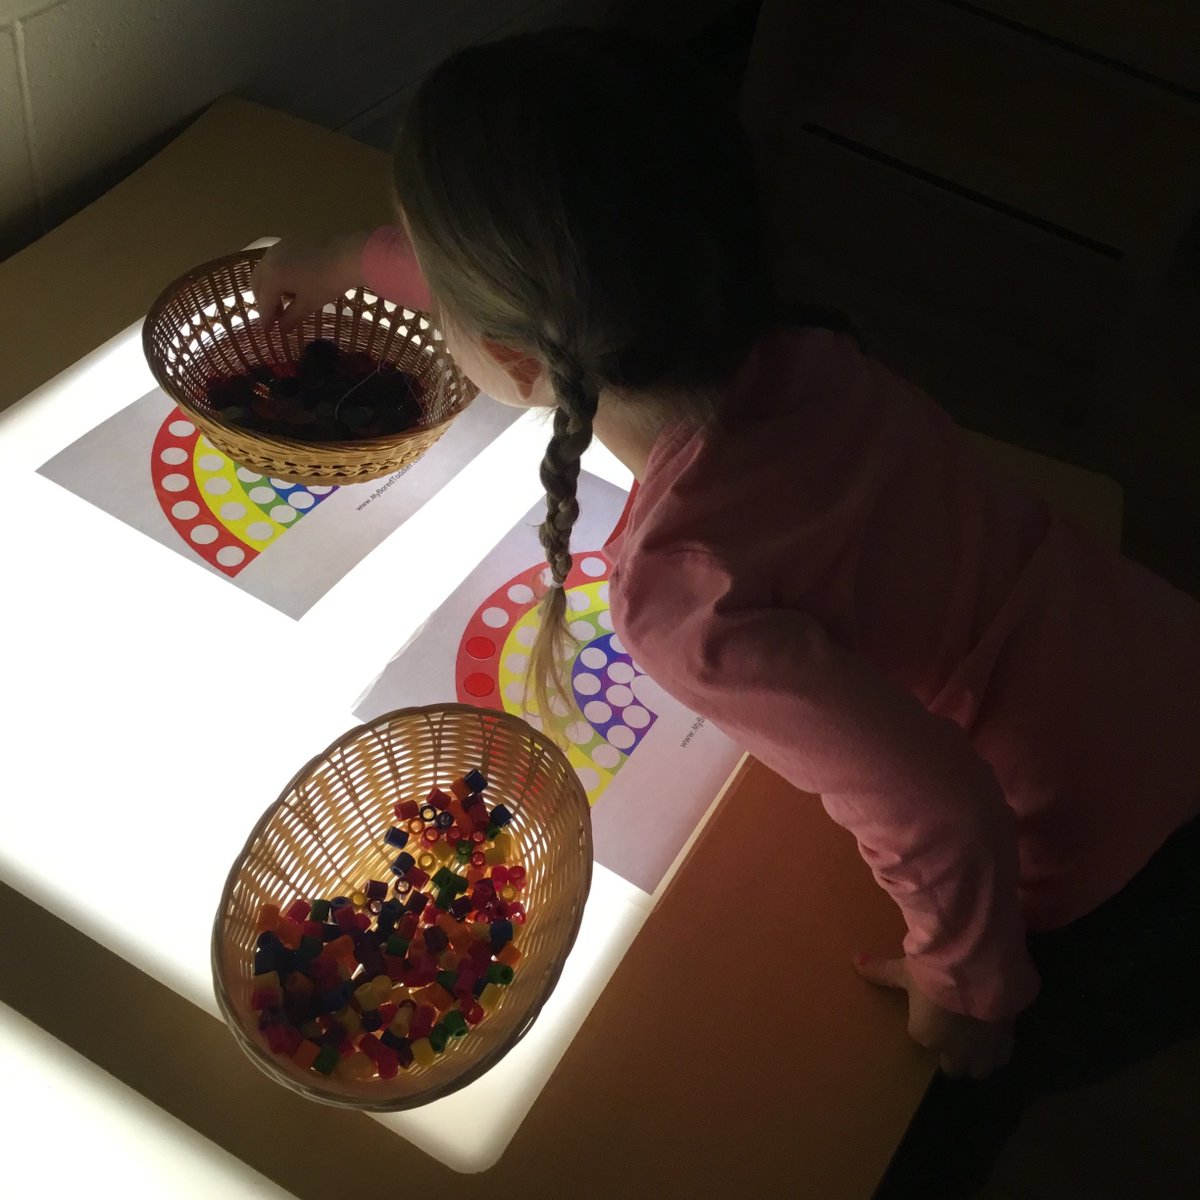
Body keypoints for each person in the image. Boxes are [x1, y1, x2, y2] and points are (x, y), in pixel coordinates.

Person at [253, 25, 1200, 1151]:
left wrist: (968, 985)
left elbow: (945, 809)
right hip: (1163, 659)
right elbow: (540, 287)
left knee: (917, 1122)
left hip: (1124, 877)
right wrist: (321, 263)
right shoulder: (806, 349)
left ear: (514, 358)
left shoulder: (685, 593)